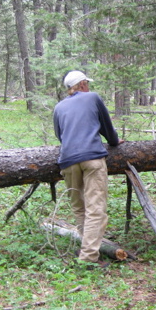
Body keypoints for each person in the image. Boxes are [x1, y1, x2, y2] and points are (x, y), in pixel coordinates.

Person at [53, 70, 123, 266]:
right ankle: (89, 257)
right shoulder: (92, 98)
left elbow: (60, 135)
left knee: (79, 207)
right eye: (87, 83)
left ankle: (88, 248)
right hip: (92, 158)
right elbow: (106, 127)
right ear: (82, 84)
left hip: (67, 160)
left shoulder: (59, 107)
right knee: (95, 208)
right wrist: (114, 141)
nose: (89, 87)